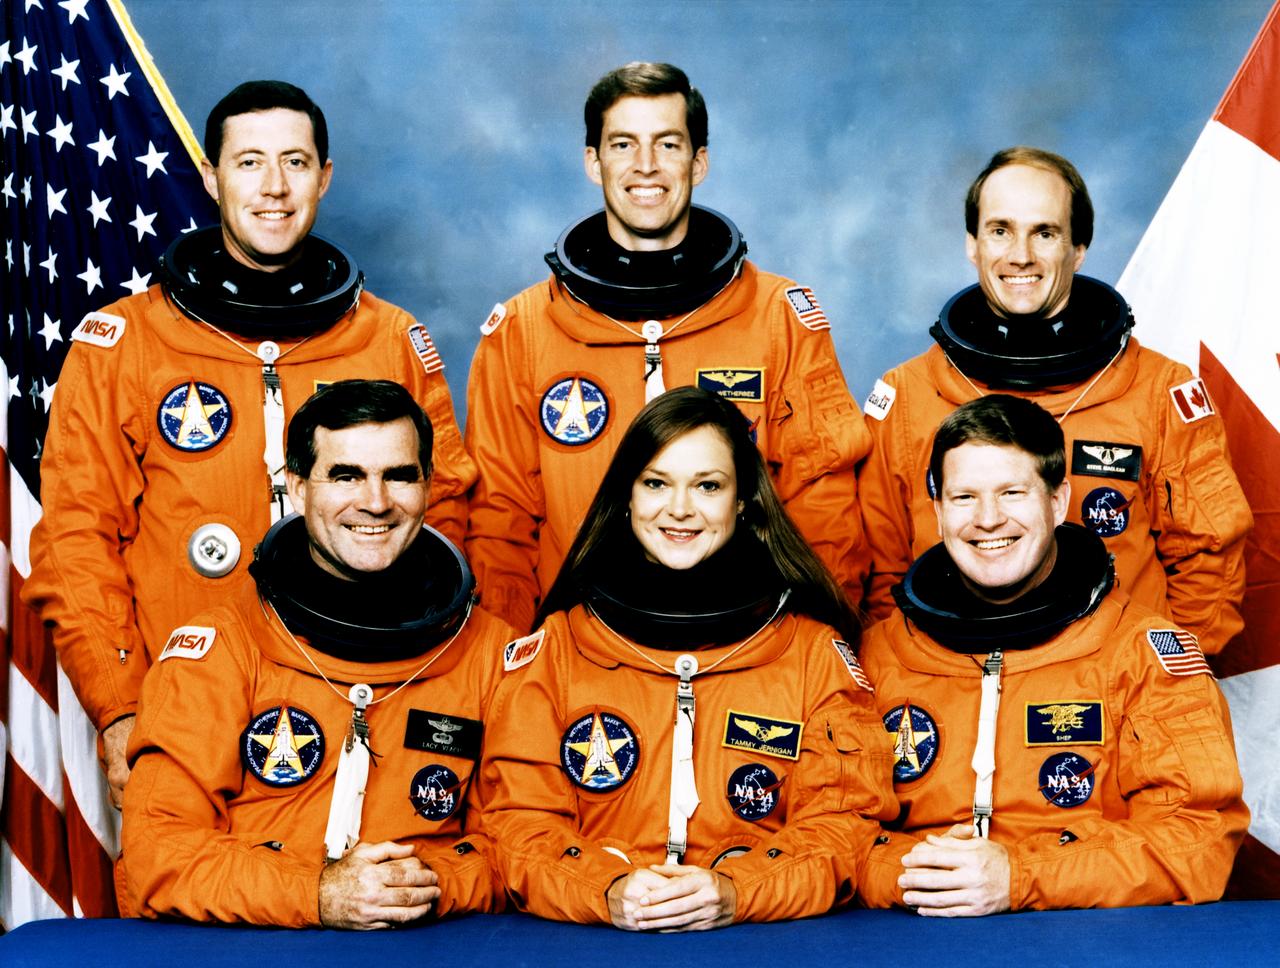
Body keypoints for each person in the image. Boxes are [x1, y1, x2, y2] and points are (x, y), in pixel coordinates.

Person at [23, 80, 475, 808]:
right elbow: (77, 544)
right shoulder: (124, 343)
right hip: (181, 707)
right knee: (183, 902)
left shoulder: (391, 339)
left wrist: (432, 685)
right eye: (249, 163)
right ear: (210, 177)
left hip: (361, 698)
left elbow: (444, 520)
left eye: (295, 163)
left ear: (324, 177)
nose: (274, 188)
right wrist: (120, 707)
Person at [466, 62, 870, 633]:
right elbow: (500, 523)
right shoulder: (523, 330)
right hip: (581, 648)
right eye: (623, 144)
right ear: (593, 161)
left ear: (698, 162)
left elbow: (823, 505)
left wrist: (815, 643)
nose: (646, 166)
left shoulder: (779, 317)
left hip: (746, 642)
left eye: (668, 143)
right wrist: (513, 662)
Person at [480, 387, 896, 930]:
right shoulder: (558, 647)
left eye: (707, 486)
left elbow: (845, 828)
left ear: (743, 500)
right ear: (626, 495)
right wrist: (605, 889)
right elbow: (517, 823)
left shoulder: (813, 652)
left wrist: (736, 890)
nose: (679, 509)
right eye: (656, 483)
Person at [119, 380, 511, 927]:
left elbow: (523, 843)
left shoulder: (491, 653)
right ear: (298, 489)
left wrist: (420, 884)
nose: (375, 502)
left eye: (399, 475)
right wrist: (319, 891)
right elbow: (154, 856)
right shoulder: (219, 652)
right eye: (346, 475)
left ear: (428, 486)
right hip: (253, 953)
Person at [857, 394, 1248, 915]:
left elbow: (1197, 840)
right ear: (937, 510)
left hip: (1084, 947)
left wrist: (1020, 876)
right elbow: (828, 833)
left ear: (1059, 502)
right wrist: (924, 875)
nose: (988, 519)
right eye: (964, 497)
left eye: (1013, 493)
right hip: (911, 941)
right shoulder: (879, 652)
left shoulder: (1143, 653)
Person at [857, 146, 1252, 654]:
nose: (1020, 254)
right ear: (972, 244)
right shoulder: (908, 397)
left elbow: (1209, 564)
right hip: (948, 686)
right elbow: (877, 576)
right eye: (1000, 230)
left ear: (1078, 249)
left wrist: (1158, 687)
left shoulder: (1157, 391)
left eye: (1044, 233)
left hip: (1112, 695)